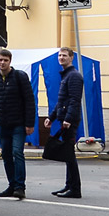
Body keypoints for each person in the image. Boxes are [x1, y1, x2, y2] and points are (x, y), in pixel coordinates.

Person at [0, 49, 34, 199]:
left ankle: (20, 186)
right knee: (5, 154)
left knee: (17, 152)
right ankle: (11, 185)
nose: (2, 63)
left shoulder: (20, 76)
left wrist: (29, 124)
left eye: (5, 60)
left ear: (10, 61)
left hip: (18, 124)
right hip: (3, 124)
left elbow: (29, 101)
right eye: (0, 60)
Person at [47, 46, 84, 198]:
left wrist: (68, 119)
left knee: (69, 154)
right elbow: (61, 100)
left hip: (70, 121)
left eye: (64, 56)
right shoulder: (66, 76)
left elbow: (75, 100)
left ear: (71, 58)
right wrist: (52, 117)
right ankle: (69, 185)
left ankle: (75, 189)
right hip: (64, 119)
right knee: (68, 154)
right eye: (60, 56)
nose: (61, 58)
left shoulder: (74, 76)